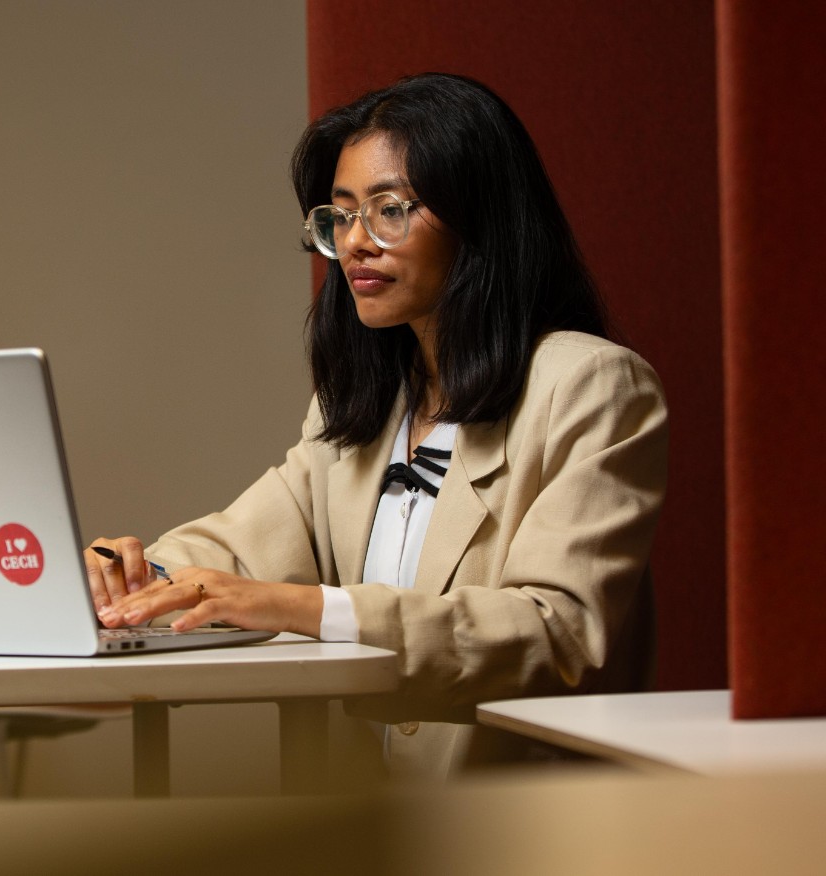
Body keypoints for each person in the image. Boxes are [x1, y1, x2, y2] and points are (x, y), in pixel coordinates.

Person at [85, 73, 667, 780]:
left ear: (480, 216)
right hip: (372, 822)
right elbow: (239, 547)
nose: (356, 242)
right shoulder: (364, 406)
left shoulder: (591, 385)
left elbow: (559, 634)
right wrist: (132, 578)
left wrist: (303, 608)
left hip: (528, 817)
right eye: (340, 216)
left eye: (389, 210)